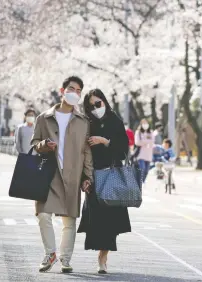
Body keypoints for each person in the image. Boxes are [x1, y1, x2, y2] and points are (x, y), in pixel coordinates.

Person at [31, 76, 93, 273]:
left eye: (78, 91)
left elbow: (86, 152)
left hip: (72, 174)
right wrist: (43, 145)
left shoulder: (83, 122)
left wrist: (87, 177)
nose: (74, 93)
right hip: (49, 173)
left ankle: (65, 258)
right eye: (71, 89)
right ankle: (50, 253)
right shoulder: (44, 118)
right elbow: (33, 145)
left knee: (69, 218)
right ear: (62, 90)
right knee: (42, 214)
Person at [78, 89, 131, 274]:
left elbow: (124, 149)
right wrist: (84, 178)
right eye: (91, 105)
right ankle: (99, 253)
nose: (95, 108)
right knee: (95, 219)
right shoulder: (86, 122)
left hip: (111, 176)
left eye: (98, 103)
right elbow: (80, 153)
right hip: (92, 176)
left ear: (105, 101)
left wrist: (105, 141)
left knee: (109, 220)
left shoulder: (115, 121)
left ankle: (103, 257)